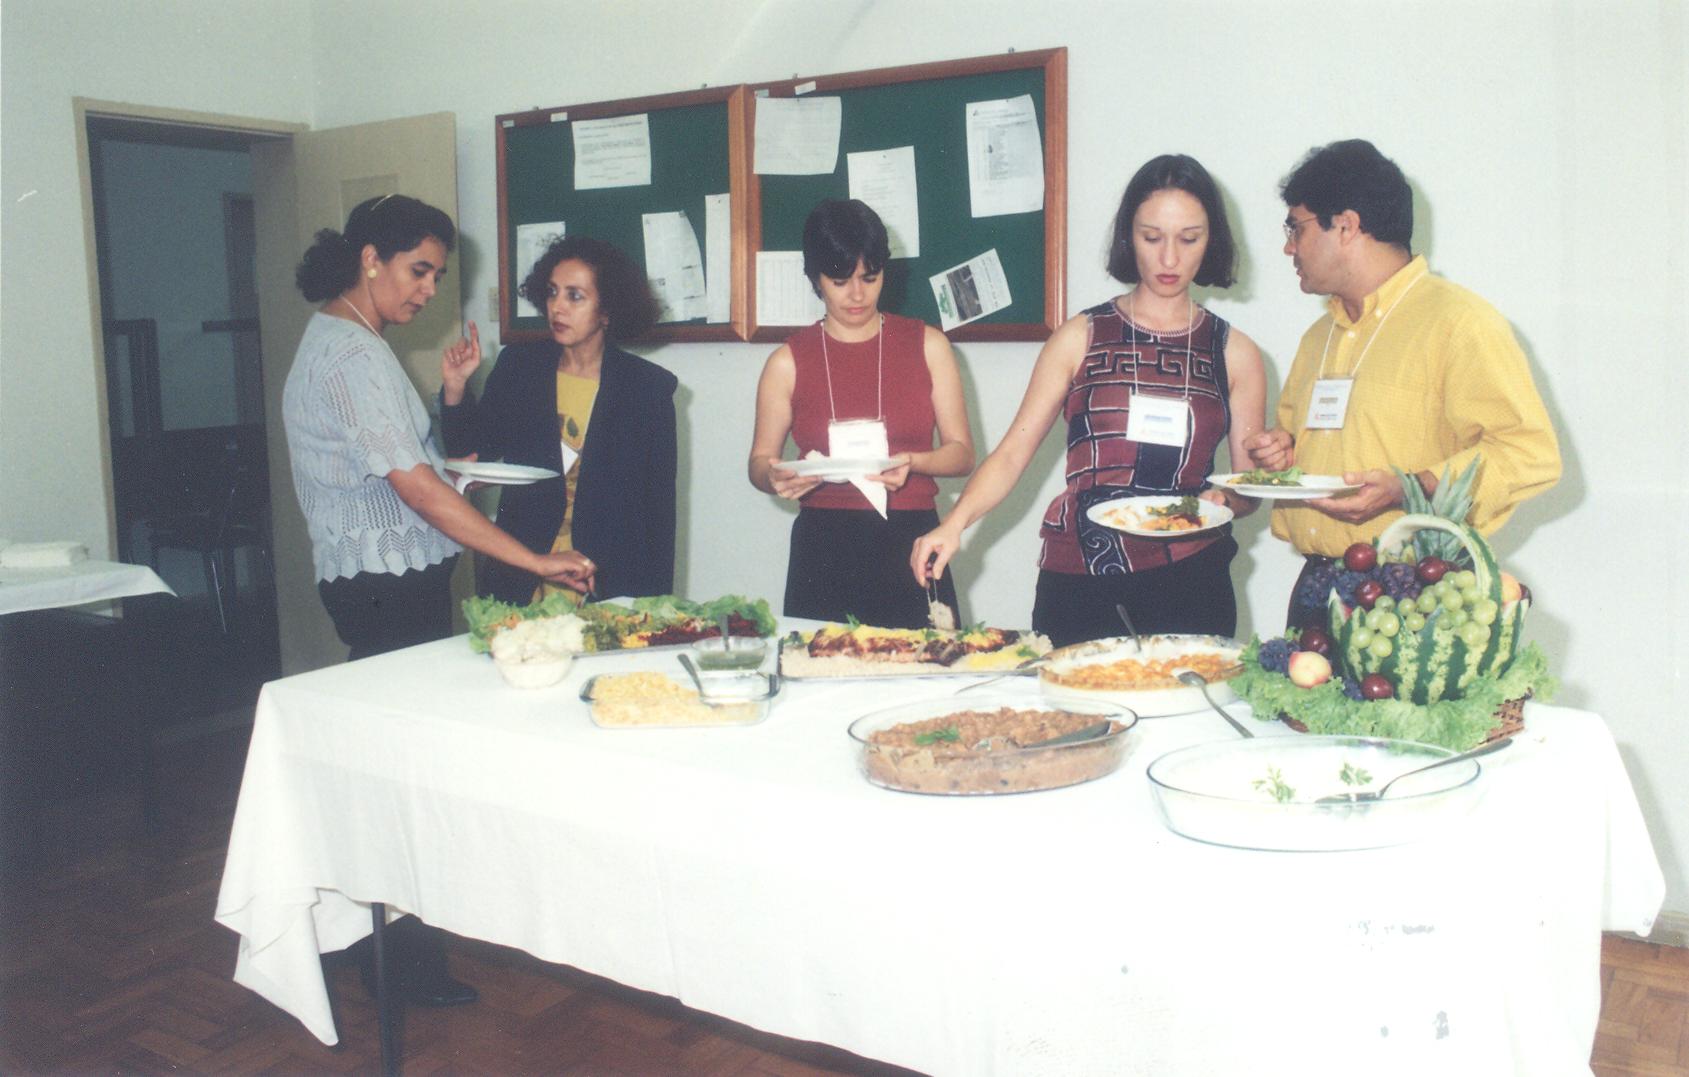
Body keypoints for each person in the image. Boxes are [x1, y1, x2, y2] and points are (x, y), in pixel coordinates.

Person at [282, 193, 593, 1007]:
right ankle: (395, 963)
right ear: (370, 259)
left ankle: (379, 947)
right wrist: (532, 556)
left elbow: (406, 471)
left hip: (384, 581)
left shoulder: (348, 338)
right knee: (398, 779)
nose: (428, 290)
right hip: (384, 589)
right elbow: (415, 489)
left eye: (436, 275)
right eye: (418, 271)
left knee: (392, 771)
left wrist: (452, 464)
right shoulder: (352, 354)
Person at [910, 155, 1266, 647]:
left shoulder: (1235, 352)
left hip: (1191, 576)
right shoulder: (1080, 336)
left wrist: (1225, 499)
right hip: (1080, 579)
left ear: (1212, 241)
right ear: (1128, 237)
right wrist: (954, 525)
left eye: (1189, 239)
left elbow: (1247, 488)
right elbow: (1012, 453)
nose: (1169, 259)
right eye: (1151, 237)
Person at [1243, 139, 1561, 629]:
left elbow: (1528, 453)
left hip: (1415, 597)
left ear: (1345, 225)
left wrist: (1410, 489)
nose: (1289, 247)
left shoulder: (1460, 323)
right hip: (1316, 585)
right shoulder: (1319, 337)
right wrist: (1280, 453)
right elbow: (1301, 450)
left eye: (1296, 227)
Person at [748, 199, 974, 628]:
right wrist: (774, 477)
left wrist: (914, 462)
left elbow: (961, 454)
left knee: (930, 663)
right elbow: (759, 462)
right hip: (823, 546)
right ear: (815, 279)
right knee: (820, 663)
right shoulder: (787, 361)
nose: (857, 294)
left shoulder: (928, 345)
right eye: (839, 281)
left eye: (870, 278)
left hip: (912, 538)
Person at [440, 236, 676, 604]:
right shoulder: (519, 366)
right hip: (522, 570)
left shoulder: (648, 388)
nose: (557, 307)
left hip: (606, 576)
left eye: (574, 296)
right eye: (552, 293)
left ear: (607, 310)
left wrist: (655, 606)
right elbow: (469, 453)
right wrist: (455, 388)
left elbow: (658, 510)